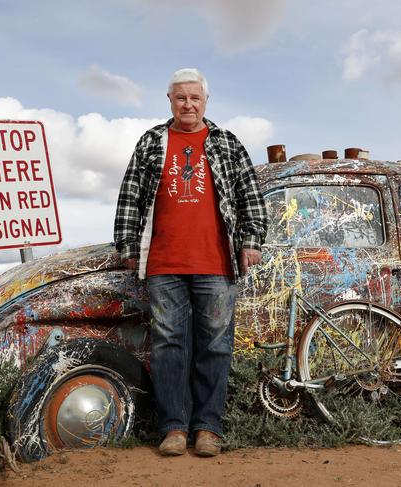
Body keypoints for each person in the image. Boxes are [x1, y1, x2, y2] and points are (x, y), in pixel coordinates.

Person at [114, 68, 267, 457]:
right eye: (181, 97)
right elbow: (130, 194)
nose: (188, 104)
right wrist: (128, 246)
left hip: (216, 262)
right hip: (164, 263)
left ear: (205, 101)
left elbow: (250, 195)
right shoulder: (152, 141)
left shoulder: (227, 143)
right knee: (169, 345)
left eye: (195, 98)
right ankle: (173, 428)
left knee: (215, 345)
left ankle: (208, 428)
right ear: (170, 101)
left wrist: (250, 243)